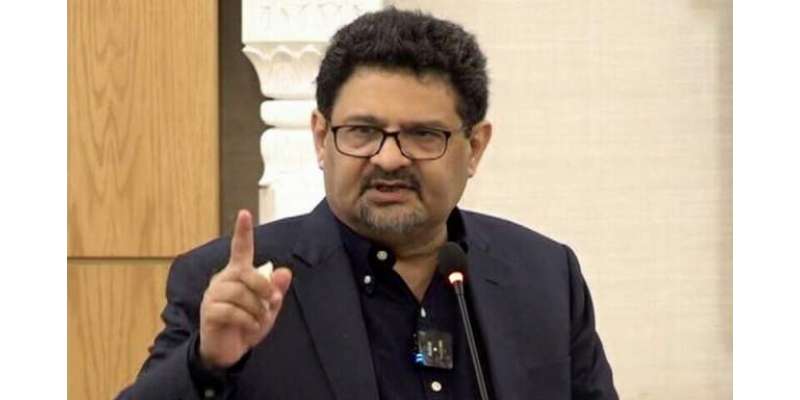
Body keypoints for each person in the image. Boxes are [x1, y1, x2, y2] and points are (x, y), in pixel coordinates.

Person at [118, 7, 617, 400]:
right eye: (362, 131)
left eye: (423, 135)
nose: (389, 158)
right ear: (322, 138)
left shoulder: (545, 278)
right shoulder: (235, 284)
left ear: (475, 147)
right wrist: (207, 363)